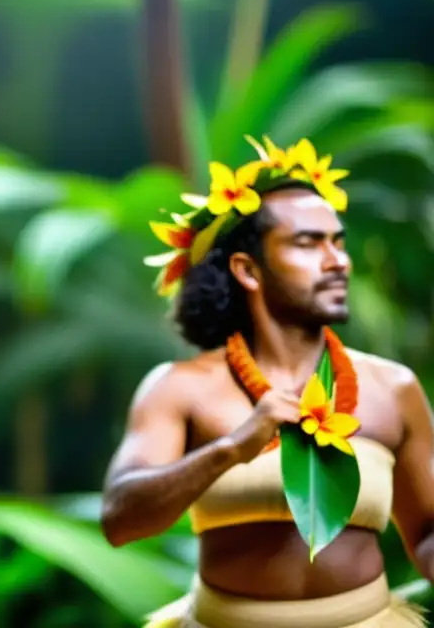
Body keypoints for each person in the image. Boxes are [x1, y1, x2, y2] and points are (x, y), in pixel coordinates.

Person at [101, 136, 433, 627]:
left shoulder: (393, 388)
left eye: (338, 242)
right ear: (248, 269)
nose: (338, 260)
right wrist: (232, 447)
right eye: (309, 243)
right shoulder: (180, 388)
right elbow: (120, 519)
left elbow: (427, 531)